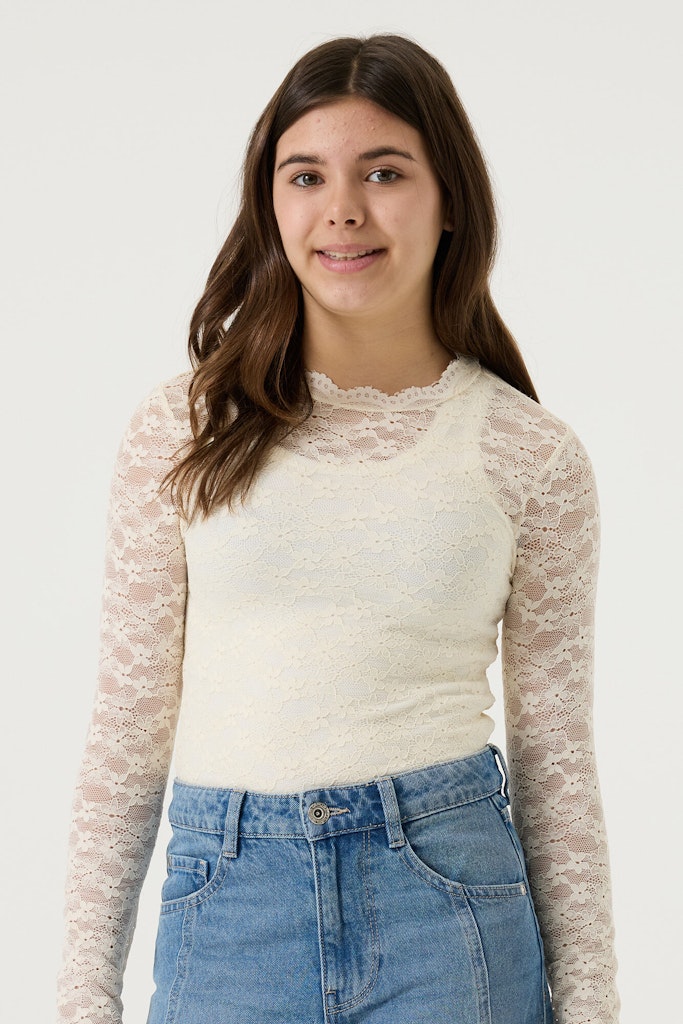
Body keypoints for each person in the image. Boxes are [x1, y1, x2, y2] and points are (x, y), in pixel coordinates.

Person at [57, 33, 619, 1024]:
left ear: (450, 199)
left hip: (448, 908)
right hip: (229, 914)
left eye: (384, 172)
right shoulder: (184, 428)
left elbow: (555, 761)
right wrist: (79, 993)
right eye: (306, 175)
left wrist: (591, 1007)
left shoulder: (528, 453)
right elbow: (126, 727)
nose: (343, 208)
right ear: (270, 205)